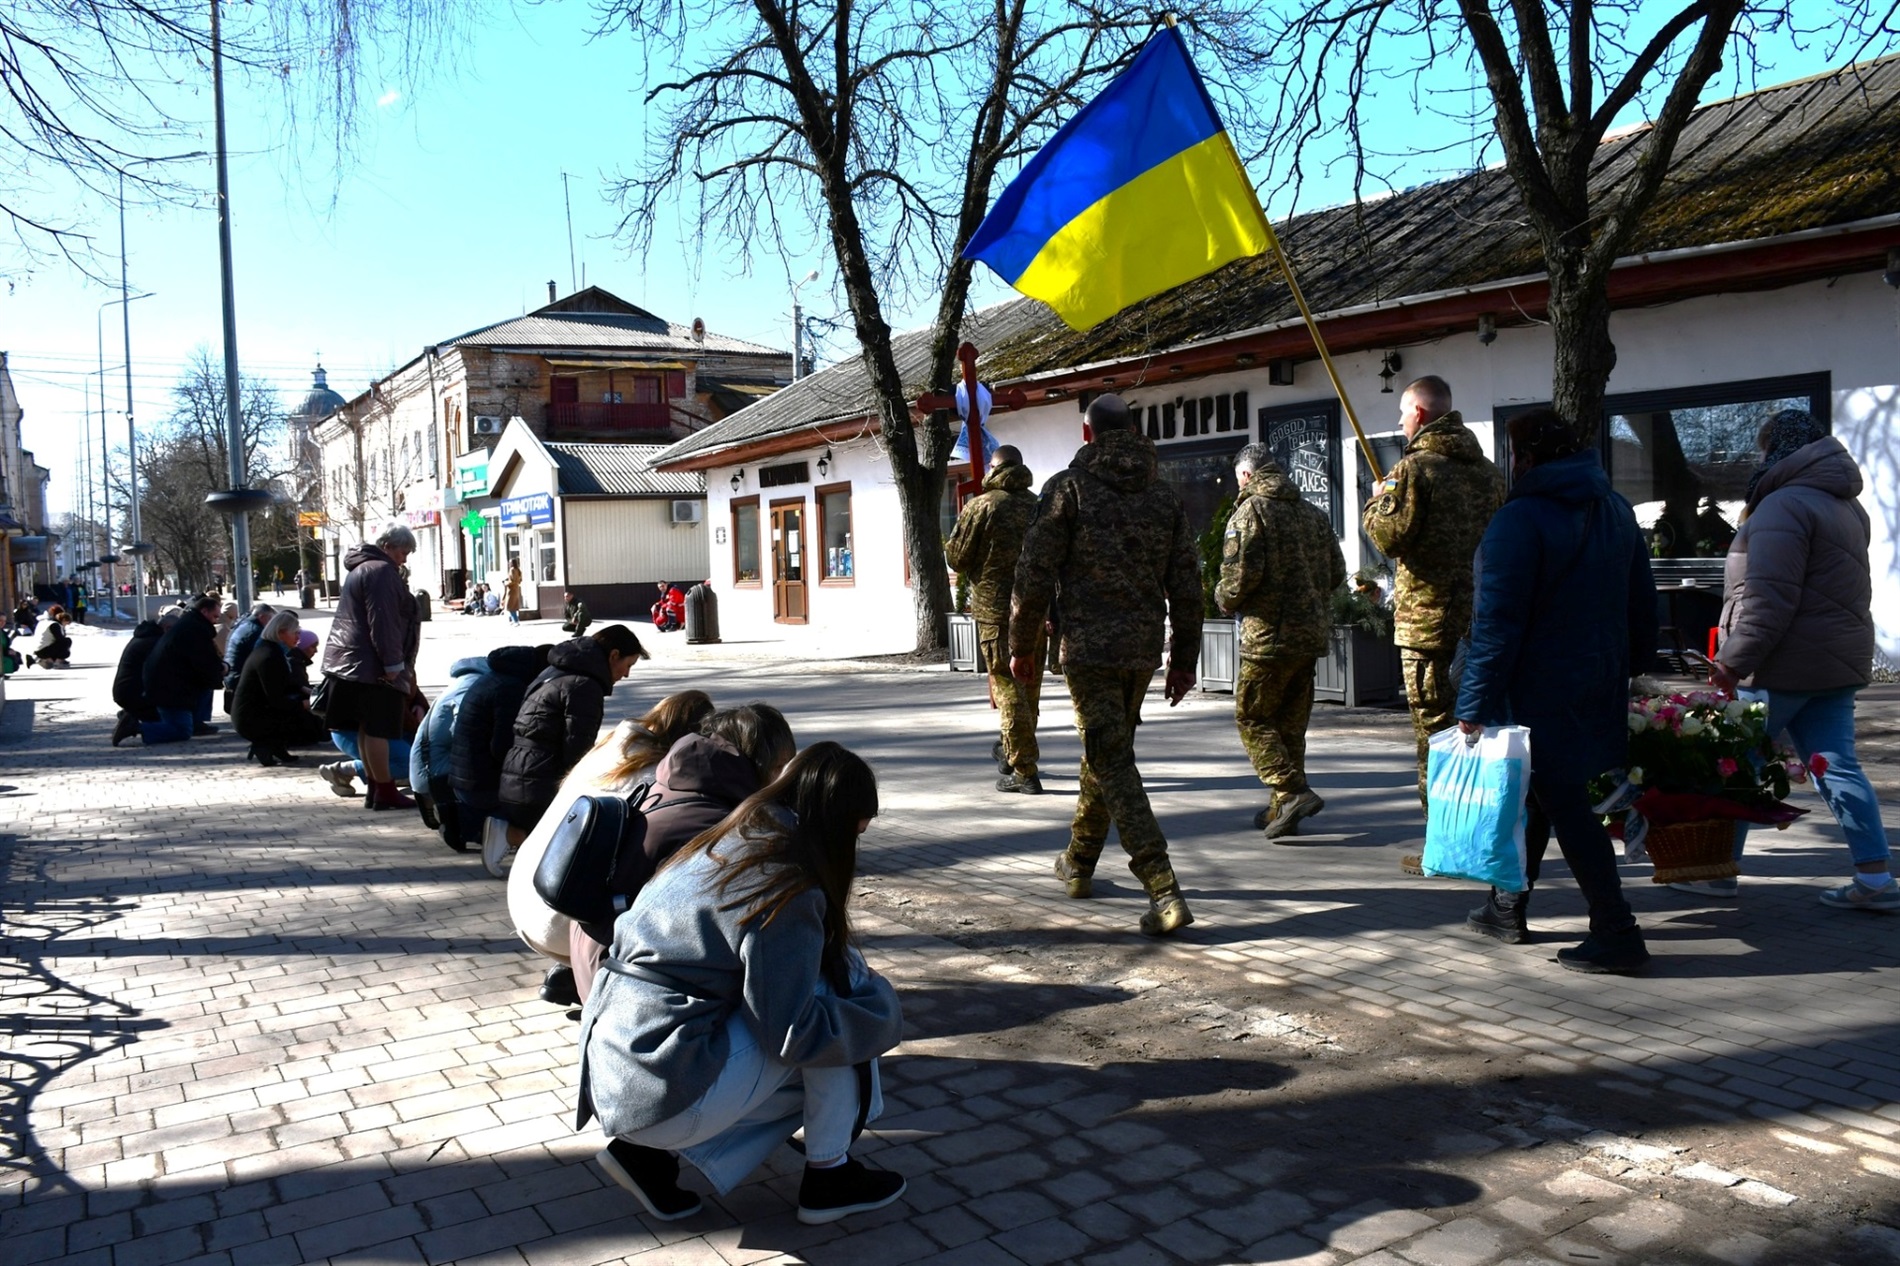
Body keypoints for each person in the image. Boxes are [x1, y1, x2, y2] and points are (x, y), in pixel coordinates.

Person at [578, 742, 905, 1226]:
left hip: (618, 1066)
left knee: (817, 1019)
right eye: (856, 834)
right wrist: (882, 1011)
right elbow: (795, 1032)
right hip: (663, 1076)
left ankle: (644, 1157)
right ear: (836, 824)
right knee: (838, 1002)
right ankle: (829, 1177)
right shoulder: (785, 885)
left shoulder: (723, 841)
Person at [1456, 408, 1658, 973]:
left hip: (1539, 687)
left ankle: (1616, 929)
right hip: (1598, 677)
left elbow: (1496, 623)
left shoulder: (1518, 521)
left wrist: (1472, 705)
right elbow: (1642, 598)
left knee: (1564, 802)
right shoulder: (1615, 509)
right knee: (1539, 793)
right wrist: (1634, 666)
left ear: (1524, 457)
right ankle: (1506, 905)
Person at [1009, 393, 1203, 936]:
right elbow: (1188, 584)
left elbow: (1032, 577)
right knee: (1108, 748)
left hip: (1089, 650)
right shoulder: (1163, 496)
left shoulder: (1067, 489)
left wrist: (1020, 647)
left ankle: (1162, 887)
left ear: (1087, 433)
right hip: (1141, 650)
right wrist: (1184, 657)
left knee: (1111, 758)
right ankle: (1079, 860)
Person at [1709, 409, 1893, 910]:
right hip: (1834, 663)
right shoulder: (1846, 506)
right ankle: (1875, 880)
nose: (1758, 460)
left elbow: (1769, 599)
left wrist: (1731, 660)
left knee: (1736, 767)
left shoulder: (1781, 507)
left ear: (1777, 451)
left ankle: (1715, 874)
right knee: (1838, 767)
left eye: (1761, 451)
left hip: (1780, 667)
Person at [508, 690, 723, 1002]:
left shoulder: (610, 748)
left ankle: (571, 972)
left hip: (528, 894)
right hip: (561, 918)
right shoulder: (653, 774)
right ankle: (606, 978)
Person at [1362, 375, 1506, 810]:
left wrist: (1374, 503)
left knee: (1433, 725)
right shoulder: (1489, 473)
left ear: (1420, 414)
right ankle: (1482, 809)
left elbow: (1389, 538)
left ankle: (1442, 826)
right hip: (1478, 615)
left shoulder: (1414, 468)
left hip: (1426, 619)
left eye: (1403, 412)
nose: (1401, 421)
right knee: (1475, 719)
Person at [1217, 444, 1347, 839]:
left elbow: (1239, 579)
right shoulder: (1313, 514)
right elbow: (1336, 573)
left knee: (1253, 717)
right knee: (1290, 725)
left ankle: (1291, 792)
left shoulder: (1250, 512)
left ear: (1246, 475)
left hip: (1267, 637)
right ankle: (1282, 808)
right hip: (1308, 636)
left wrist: (1222, 598)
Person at [491, 625, 650, 875]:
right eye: (628, 665)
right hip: (538, 783)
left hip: (518, 775)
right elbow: (577, 751)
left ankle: (513, 832)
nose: (627, 675)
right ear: (613, 655)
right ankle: (511, 834)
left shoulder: (558, 669)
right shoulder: (585, 685)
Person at [945, 445, 1044, 794]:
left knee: (1007, 686)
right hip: (1035, 609)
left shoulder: (982, 506)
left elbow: (956, 558)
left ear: (994, 467)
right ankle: (1009, 749)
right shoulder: (1039, 505)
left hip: (996, 613)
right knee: (1028, 685)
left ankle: (1024, 769)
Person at [320, 526, 420, 810]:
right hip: (371, 666)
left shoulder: (361, 569)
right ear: (388, 546)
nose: (404, 559)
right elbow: (384, 621)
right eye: (403, 552)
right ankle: (385, 790)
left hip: (354, 663)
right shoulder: (381, 571)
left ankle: (377, 788)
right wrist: (392, 665)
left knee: (366, 727)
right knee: (378, 729)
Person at [446, 644, 552, 849]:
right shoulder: (511, 689)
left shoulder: (496, 676)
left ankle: (464, 822)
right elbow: (502, 747)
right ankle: (480, 825)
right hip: (479, 786)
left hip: (464, 779)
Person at [409, 654, 496, 847]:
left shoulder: (462, 683)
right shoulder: (473, 686)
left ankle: (459, 819)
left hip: (429, 769)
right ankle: (462, 819)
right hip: (435, 775)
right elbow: (466, 731)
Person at [233, 610, 327, 765]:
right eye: (295, 633)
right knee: (306, 719)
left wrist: (304, 691)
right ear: (281, 632)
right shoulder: (269, 656)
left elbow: (283, 683)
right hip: (251, 719)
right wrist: (304, 705)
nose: (298, 637)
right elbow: (276, 699)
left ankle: (275, 745)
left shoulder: (271, 650)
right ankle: (265, 743)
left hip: (252, 712)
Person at [141, 595, 226, 743]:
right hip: (169, 686)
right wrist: (222, 669)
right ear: (204, 612)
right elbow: (203, 662)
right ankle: (136, 727)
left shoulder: (190, 624)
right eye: (214, 616)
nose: (216, 620)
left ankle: (196, 722)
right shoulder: (195, 630)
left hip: (168, 682)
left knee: (207, 685)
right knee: (182, 731)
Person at [111, 615, 174, 746]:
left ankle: (131, 715)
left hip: (125, 691)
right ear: (167, 628)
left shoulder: (145, 637)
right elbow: (159, 672)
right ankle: (132, 724)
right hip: (133, 694)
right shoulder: (154, 642)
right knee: (173, 722)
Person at [221, 602, 274, 714]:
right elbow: (261, 658)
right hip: (240, 678)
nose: (272, 624)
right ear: (262, 617)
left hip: (232, 675)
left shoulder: (243, 624)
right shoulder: (255, 631)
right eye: (271, 620)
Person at [504, 560, 524, 625]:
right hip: (516, 589)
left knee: (510, 606)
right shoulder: (518, 570)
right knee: (513, 605)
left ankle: (515, 620)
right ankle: (513, 619)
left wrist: (506, 583)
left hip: (511, 590)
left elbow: (512, 580)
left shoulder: (512, 570)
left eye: (509, 563)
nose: (508, 564)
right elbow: (519, 580)